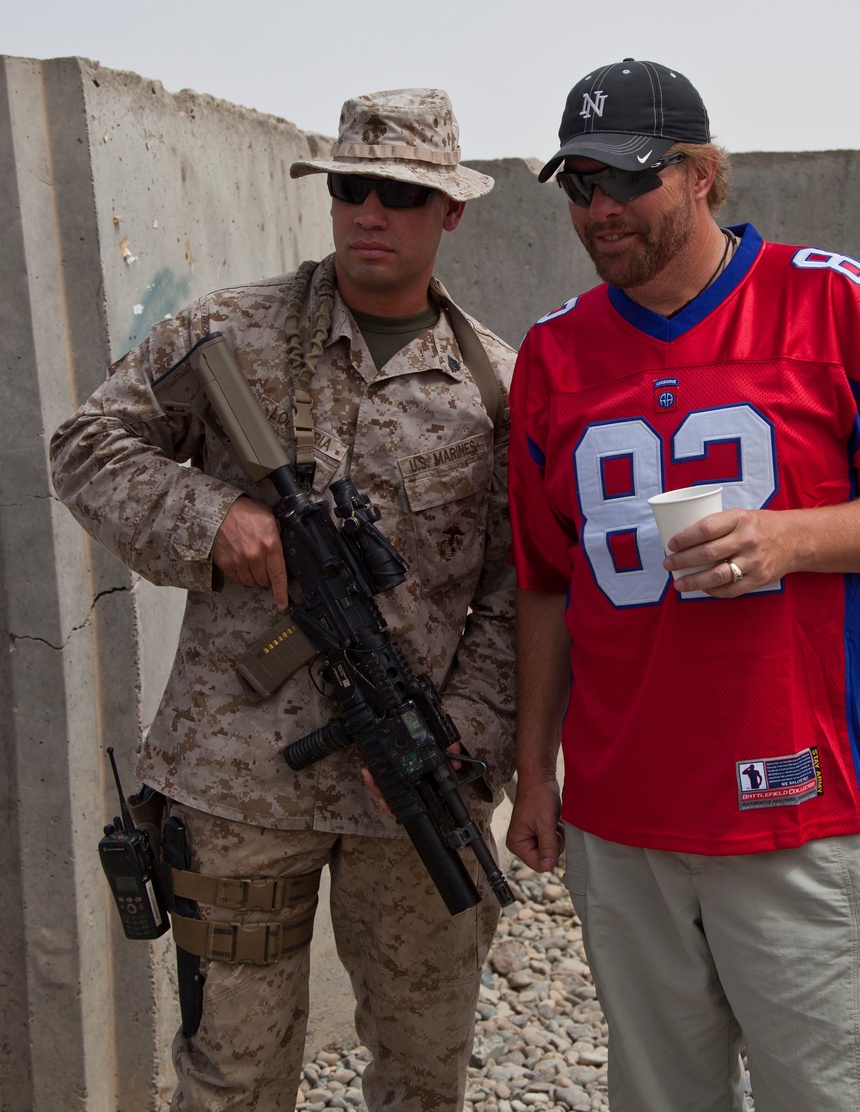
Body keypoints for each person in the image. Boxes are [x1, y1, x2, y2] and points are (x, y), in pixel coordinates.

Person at [505, 58, 860, 1112]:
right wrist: (536, 769)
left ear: (703, 172)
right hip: (623, 822)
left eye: (627, 180)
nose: (601, 209)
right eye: (579, 184)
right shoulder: (552, 352)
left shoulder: (833, 302)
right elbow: (544, 581)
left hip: (798, 810)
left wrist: (791, 537)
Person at [50, 88, 516, 1112]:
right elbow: (85, 447)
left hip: (414, 790)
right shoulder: (232, 332)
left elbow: (515, 595)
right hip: (234, 783)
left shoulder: (496, 389)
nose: (368, 211)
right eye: (350, 186)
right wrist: (211, 516)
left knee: (420, 1074)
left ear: (449, 212)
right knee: (231, 1076)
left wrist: (464, 747)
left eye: (398, 193)